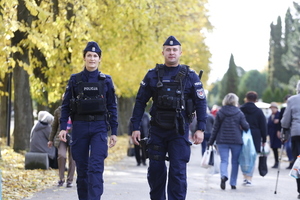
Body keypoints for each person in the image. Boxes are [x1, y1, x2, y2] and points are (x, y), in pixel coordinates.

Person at [131, 35, 207, 200]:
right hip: (157, 131)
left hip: (179, 131)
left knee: (177, 172)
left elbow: (201, 103)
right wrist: (135, 127)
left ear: (180, 52)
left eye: (174, 50)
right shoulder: (152, 75)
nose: (171, 52)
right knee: (156, 171)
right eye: (168, 50)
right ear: (163, 52)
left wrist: (201, 128)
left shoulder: (190, 76)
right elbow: (140, 102)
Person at [58, 41, 118, 200]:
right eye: (89, 56)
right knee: (83, 170)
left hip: (99, 127)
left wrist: (114, 132)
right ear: (84, 58)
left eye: (95, 56)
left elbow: (112, 106)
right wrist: (63, 128)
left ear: (99, 59)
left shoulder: (106, 80)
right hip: (80, 127)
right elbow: (65, 106)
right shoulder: (75, 80)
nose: (92, 58)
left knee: (96, 168)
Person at [207, 93, 249, 190]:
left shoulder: (220, 112)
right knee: (235, 162)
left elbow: (215, 128)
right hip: (236, 140)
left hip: (222, 140)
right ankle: (233, 183)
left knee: (224, 160)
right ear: (235, 101)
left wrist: (211, 141)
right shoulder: (239, 112)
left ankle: (224, 176)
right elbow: (246, 126)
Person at [240, 91, 267, 186]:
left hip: (242, 134)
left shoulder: (241, 109)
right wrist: (264, 139)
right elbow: (263, 126)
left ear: (246, 99)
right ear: (255, 100)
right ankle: (249, 178)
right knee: (252, 156)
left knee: (242, 156)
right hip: (255, 135)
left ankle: (244, 176)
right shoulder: (259, 112)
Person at [48, 103, 76, 188]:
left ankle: (70, 180)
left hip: (73, 136)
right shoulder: (58, 110)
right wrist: (50, 139)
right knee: (61, 155)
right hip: (61, 137)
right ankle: (61, 179)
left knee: (73, 158)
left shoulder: (77, 109)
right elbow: (54, 126)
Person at [281, 80, 300, 199]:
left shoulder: (292, 100)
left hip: (297, 134)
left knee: (298, 162)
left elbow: (285, 121)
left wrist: (285, 134)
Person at [278, 94, 293, 169]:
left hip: (294, 130)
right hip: (287, 130)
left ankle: (294, 162)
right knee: (288, 147)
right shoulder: (283, 109)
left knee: (292, 146)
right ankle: (291, 161)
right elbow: (282, 121)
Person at [267, 102, 282, 169]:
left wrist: (279, 121)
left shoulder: (279, 115)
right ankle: (276, 162)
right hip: (272, 134)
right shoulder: (271, 116)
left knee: (277, 148)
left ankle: (278, 162)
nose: (272, 109)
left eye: (273, 108)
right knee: (274, 148)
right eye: (271, 108)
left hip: (277, 134)